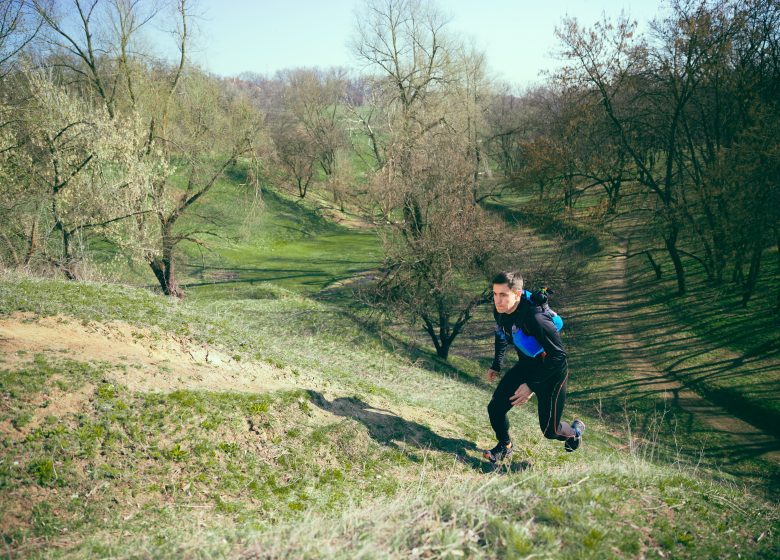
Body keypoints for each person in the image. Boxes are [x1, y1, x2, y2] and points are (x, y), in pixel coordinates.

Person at [483, 271, 585, 463]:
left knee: (550, 430)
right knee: (495, 408)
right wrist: (496, 365)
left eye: (503, 295)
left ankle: (574, 432)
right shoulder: (500, 311)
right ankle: (505, 446)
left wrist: (531, 386)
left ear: (518, 293)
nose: (498, 300)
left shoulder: (535, 318)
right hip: (527, 366)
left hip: (553, 373)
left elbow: (558, 356)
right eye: (495, 294)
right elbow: (502, 334)